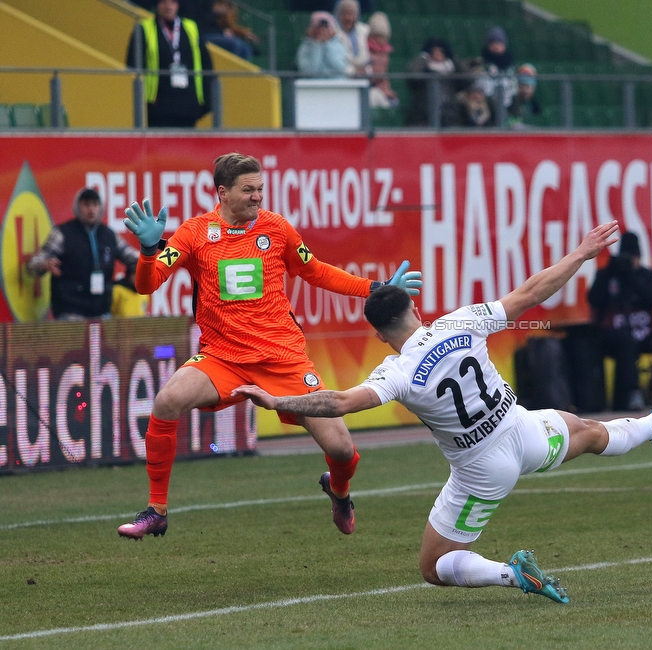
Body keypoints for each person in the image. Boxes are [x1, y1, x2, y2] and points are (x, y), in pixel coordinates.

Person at [232, 221, 652, 604]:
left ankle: (513, 575)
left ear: (378, 335)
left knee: (434, 566)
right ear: (414, 306)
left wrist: (277, 401)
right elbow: (530, 293)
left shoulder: (397, 371)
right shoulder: (460, 321)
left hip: (483, 468)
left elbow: (339, 402)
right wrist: (583, 253)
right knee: (588, 432)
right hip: (524, 430)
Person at [116, 153, 422, 540]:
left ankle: (340, 492)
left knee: (342, 449)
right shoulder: (194, 233)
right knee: (166, 400)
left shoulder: (276, 229)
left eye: (260, 188)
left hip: (283, 360)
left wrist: (374, 288)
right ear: (223, 192)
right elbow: (147, 284)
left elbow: (316, 271)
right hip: (221, 356)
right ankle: (156, 510)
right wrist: (146, 252)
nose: (258, 196)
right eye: (249, 190)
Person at [588, 231, 652, 411]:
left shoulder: (647, 275)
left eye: (633, 257)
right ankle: (633, 393)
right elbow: (594, 299)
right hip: (615, 334)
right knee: (625, 342)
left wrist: (632, 277)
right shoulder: (607, 275)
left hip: (645, 331)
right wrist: (611, 272)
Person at [26, 188, 141, 320]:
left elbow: (135, 259)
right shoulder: (62, 234)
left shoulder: (109, 235)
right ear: (77, 207)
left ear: (101, 208)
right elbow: (31, 265)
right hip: (70, 311)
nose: (91, 210)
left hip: (101, 311)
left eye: (95, 205)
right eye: (86, 205)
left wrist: (135, 272)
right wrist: (44, 264)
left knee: (98, 342)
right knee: (73, 341)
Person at [126, 0, 214, 128]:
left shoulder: (191, 27)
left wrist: (207, 102)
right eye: (164, 2)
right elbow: (132, 67)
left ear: (178, 5)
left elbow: (206, 65)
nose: (168, 6)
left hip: (189, 104)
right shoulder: (144, 28)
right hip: (157, 106)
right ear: (157, 5)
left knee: (186, 147)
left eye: (172, 2)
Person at [405, 38, 458, 127]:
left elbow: (469, 80)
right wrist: (423, 57)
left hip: (449, 120)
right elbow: (412, 73)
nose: (438, 55)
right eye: (434, 52)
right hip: (423, 120)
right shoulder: (423, 72)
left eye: (441, 51)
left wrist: (453, 58)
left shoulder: (451, 72)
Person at [296, 11, 348, 78]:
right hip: (311, 86)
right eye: (319, 27)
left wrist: (327, 45)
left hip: (337, 84)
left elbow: (340, 68)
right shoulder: (304, 48)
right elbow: (310, 71)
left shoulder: (340, 46)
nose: (322, 31)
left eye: (325, 28)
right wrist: (316, 45)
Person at [479, 26, 516, 109]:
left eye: (499, 43)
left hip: (507, 102)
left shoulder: (510, 65)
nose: (496, 46)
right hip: (488, 103)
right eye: (493, 43)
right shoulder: (483, 64)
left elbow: (513, 87)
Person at [366, 12, 398, 108]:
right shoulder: (365, 50)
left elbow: (384, 75)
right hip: (370, 88)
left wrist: (387, 90)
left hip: (382, 89)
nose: (379, 40)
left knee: (394, 102)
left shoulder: (386, 53)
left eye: (382, 37)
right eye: (376, 36)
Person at [333, 0, 370, 76]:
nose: (348, 18)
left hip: (366, 76)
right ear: (338, 15)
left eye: (351, 13)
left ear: (357, 15)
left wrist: (365, 70)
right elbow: (337, 61)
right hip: (343, 79)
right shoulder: (333, 34)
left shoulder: (366, 31)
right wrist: (353, 71)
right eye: (344, 13)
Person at [507, 63, 541, 129]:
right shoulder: (511, 102)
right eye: (522, 86)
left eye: (529, 87)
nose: (526, 90)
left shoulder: (535, 103)